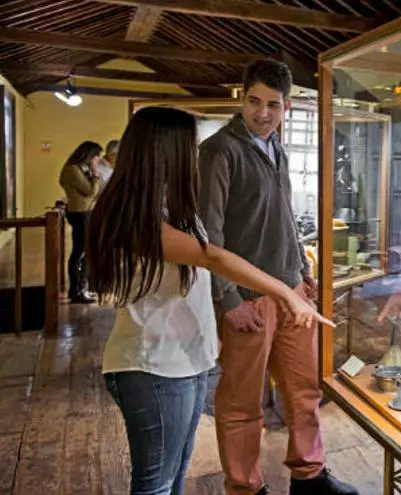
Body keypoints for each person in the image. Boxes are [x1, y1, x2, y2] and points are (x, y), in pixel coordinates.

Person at [87, 106, 332, 495]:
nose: (196, 153)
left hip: (183, 360)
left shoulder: (169, 207)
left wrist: (294, 273)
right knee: (156, 485)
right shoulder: (135, 218)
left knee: (173, 477)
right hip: (153, 365)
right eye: (191, 145)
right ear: (166, 151)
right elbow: (212, 256)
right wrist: (284, 292)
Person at [199, 59, 358, 495]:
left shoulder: (277, 148)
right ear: (242, 98)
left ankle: (309, 476)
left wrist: (303, 271)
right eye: (254, 102)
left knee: (305, 392)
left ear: (286, 106)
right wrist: (228, 299)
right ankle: (245, 487)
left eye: (273, 105)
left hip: (293, 293)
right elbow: (208, 235)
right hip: (247, 299)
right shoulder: (218, 151)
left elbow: (285, 216)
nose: (262, 113)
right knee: (241, 402)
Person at [59, 140, 103, 303]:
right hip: (80, 213)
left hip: (86, 212)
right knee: (80, 252)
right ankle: (76, 291)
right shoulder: (72, 170)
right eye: (96, 156)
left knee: (85, 251)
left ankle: (82, 288)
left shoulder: (79, 169)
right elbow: (91, 191)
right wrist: (95, 173)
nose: (98, 159)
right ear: (89, 155)